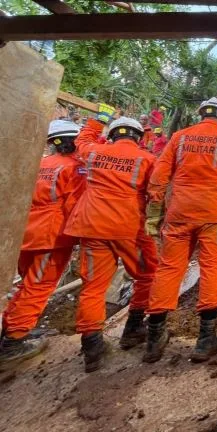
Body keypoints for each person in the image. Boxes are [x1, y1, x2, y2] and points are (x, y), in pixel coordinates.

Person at [143, 97, 217, 364]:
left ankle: (154, 339)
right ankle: (206, 339)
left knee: (169, 269)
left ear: (201, 114)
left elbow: (159, 176)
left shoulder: (179, 137)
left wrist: (154, 213)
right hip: (214, 215)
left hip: (179, 212)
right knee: (212, 268)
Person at [64, 113, 159, 372]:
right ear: (138, 137)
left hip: (92, 226)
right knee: (147, 275)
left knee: (93, 287)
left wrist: (98, 120)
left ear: (113, 134)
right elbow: (156, 192)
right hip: (129, 228)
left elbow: (81, 140)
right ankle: (134, 327)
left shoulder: (94, 152)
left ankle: (92, 347)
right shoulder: (147, 159)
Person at [0, 120, 86, 365]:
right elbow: (74, 205)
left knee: (25, 284)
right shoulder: (75, 169)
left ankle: (11, 329)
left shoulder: (39, 164)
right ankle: (15, 340)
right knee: (38, 286)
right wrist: (79, 234)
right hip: (51, 236)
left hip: (25, 231)